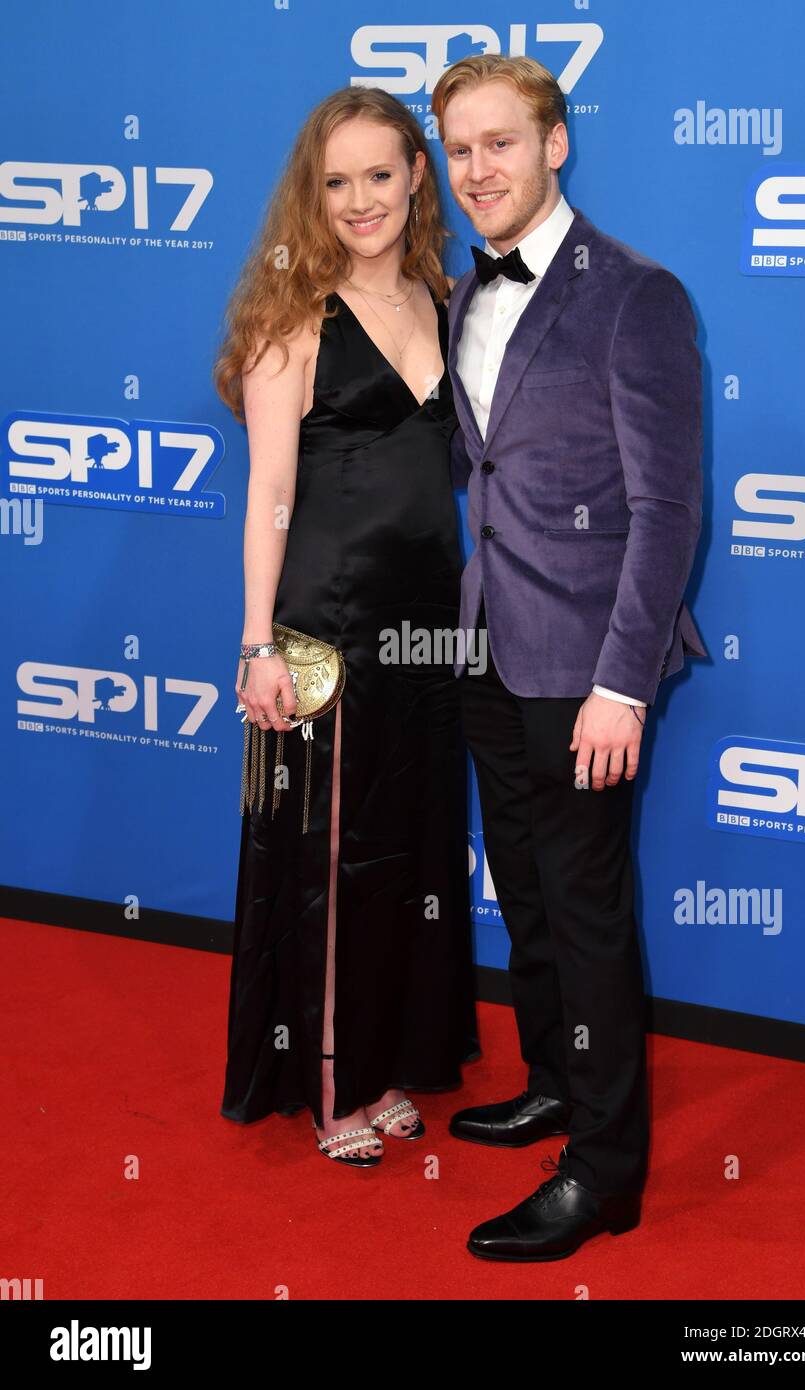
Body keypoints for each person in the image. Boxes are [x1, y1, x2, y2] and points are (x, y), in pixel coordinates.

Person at [432, 55, 706, 1257]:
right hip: (486, 645)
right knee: (530, 891)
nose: (475, 170)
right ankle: (551, 1078)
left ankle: (602, 1171)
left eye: (499, 143)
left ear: (555, 146)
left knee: (587, 913)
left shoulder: (633, 294)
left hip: (588, 668)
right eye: (458, 149)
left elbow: (666, 512)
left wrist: (619, 683)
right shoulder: (457, 294)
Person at [213, 86, 479, 1167]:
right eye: (335, 182)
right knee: (334, 862)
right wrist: (256, 641)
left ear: (418, 175)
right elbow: (269, 487)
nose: (359, 199)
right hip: (327, 626)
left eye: (380, 174)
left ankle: (395, 1051)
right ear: (309, 196)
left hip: (430, 628)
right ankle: (332, 1085)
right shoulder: (293, 317)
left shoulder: (439, 292)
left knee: (411, 848)